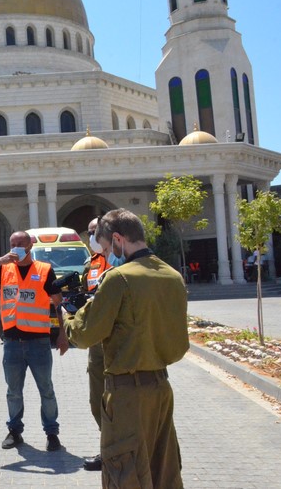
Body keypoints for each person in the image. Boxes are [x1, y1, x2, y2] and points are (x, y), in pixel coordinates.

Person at [64, 209, 189, 488]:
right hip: (161, 388)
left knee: (125, 472)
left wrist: (67, 317)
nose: (107, 256)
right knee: (163, 469)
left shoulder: (118, 278)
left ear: (118, 239)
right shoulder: (172, 276)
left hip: (125, 393)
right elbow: (179, 346)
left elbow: (85, 335)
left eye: (107, 248)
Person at [0, 230, 68, 452]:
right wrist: (1, 259)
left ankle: (52, 433)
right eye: (12, 244)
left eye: (20, 244)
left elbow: (58, 304)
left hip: (39, 342)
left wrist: (63, 334)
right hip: (12, 341)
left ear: (30, 246)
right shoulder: (3, 269)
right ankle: (15, 431)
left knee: (46, 389)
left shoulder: (44, 270)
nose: (16, 248)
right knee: (13, 390)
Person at [79, 217, 111, 472]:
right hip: (97, 343)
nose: (91, 237)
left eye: (94, 232)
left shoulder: (121, 260)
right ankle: (108, 448)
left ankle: (117, 452)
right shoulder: (91, 263)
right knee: (97, 400)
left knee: (120, 399)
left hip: (119, 341)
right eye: (89, 232)